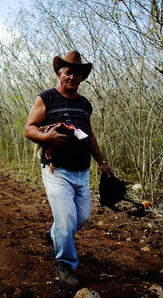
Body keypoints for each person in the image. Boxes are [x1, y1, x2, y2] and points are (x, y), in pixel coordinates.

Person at [24, 51, 112, 286]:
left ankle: (54, 234)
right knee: (67, 217)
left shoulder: (84, 104)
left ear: (82, 77)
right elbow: (29, 128)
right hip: (56, 170)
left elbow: (90, 135)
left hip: (82, 171)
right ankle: (65, 265)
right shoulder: (46, 98)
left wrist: (101, 162)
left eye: (77, 73)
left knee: (80, 219)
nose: (73, 76)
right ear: (60, 74)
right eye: (68, 72)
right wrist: (46, 138)